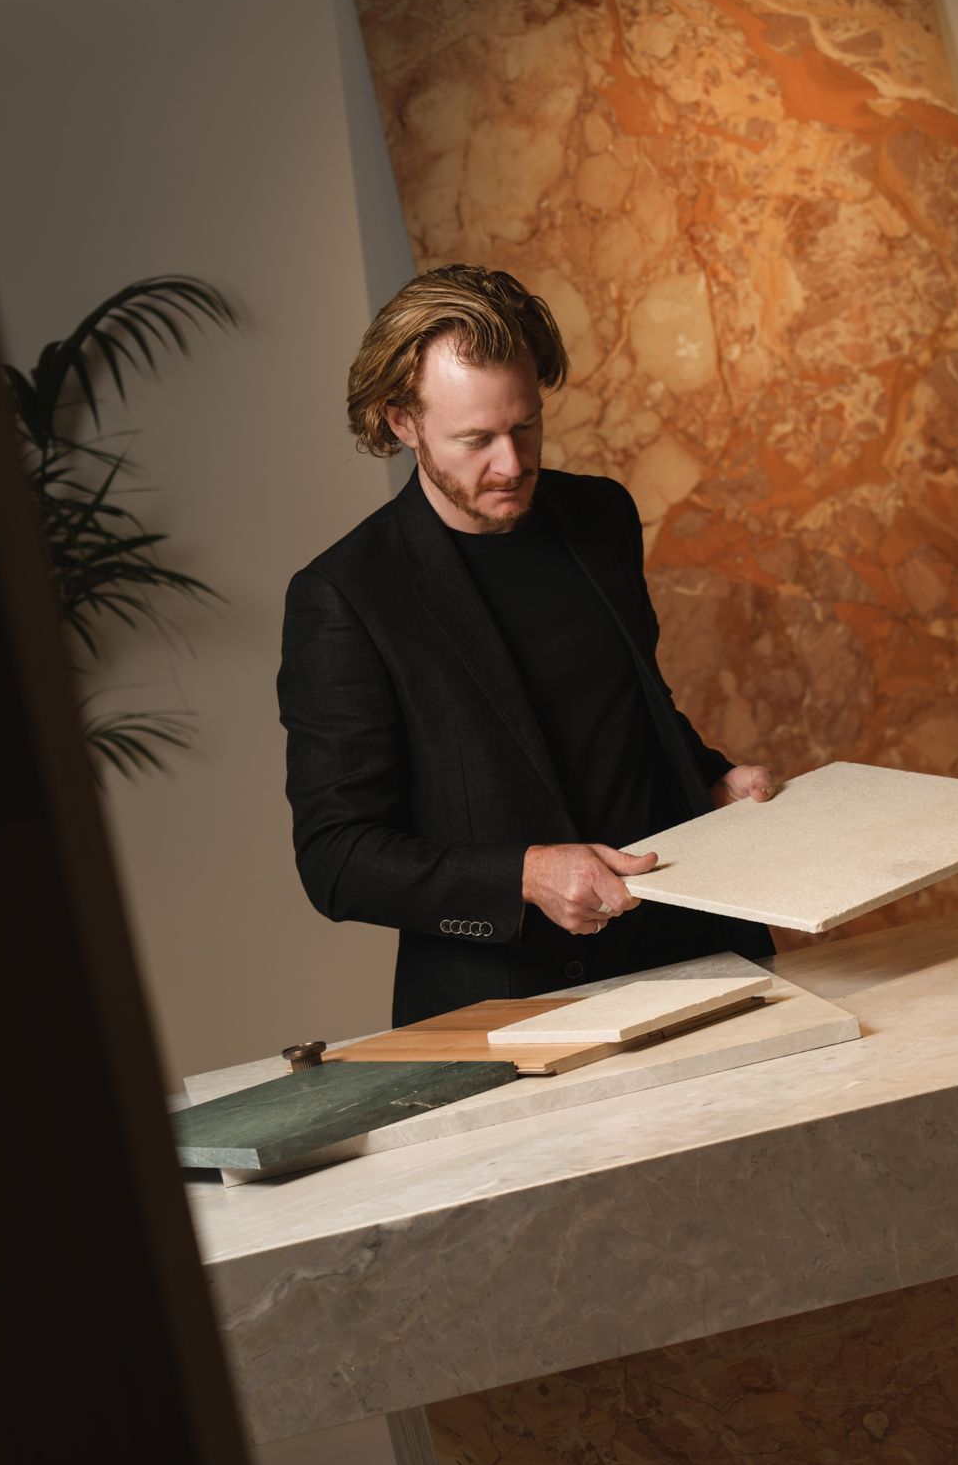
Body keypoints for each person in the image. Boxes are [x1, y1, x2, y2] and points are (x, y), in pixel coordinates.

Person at [278, 265, 776, 1025]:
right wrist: (524, 875)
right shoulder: (344, 596)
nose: (511, 465)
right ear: (401, 423)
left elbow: (625, 713)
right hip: (515, 1006)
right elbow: (336, 858)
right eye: (475, 440)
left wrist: (708, 782)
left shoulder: (601, 515)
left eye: (526, 426)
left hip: (699, 949)